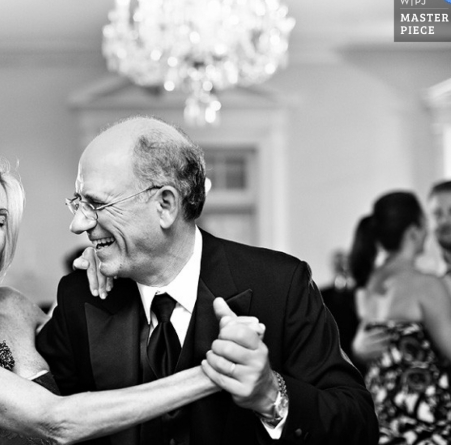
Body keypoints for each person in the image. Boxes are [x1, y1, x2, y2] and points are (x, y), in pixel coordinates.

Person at [36, 115, 378, 445]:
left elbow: (358, 426)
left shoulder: (279, 285)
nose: (78, 224)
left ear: (166, 205)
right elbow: (37, 418)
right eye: (78, 203)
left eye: (96, 204)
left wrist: (271, 395)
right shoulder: (79, 295)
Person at [0, 152, 235, 445]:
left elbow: (80, 357)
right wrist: (212, 375)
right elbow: (55, 421)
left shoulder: (12, 305)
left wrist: (100, 264)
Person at [349, 190, 451, 443]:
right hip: (424, 419)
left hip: (384, 416)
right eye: (427, 221)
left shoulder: (369, 284)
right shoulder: (425, 284)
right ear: (414, 231)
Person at [319, 249, 364, 373]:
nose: (342, 266)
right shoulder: (321, 295)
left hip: (355, 358)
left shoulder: (360, 295)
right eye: (338, 263)